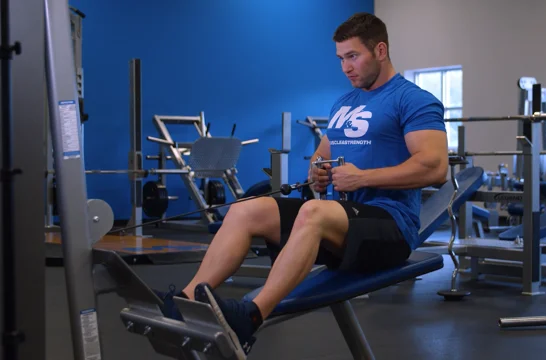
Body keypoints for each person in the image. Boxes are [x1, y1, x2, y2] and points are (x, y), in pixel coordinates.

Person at [157, 12, 449, 357]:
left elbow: (434, 167)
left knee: (313, 212)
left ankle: (250, 318)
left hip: (390, 225)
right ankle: (189, 300)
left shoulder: (413, 99)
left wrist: (363, 177)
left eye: (353, 56)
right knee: (246, 210)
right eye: (341, 59)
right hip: (342, 219)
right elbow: (321, 155)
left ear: (380, 50)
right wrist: (317, 172)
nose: (345, 67)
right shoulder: (345, 103)